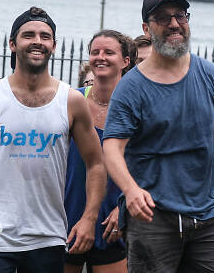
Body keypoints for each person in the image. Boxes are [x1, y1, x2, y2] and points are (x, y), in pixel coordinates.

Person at [102, 0, 214, 273]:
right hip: (152, 216)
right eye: (162, 18)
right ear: (146, 27)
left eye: (180, 15)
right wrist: (130, 190)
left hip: (208, 210)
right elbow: (112, 148)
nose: (173, 24)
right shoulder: (131, 87)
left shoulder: (209, 74)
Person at [0, 7, 106, 272]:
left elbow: (96, 164)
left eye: (45, 36)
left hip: (48, 237)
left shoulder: (71, 101)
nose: (37, 41)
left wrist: (89, 219)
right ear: (12, 44)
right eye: (28, 35)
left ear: (54, 46)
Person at [64, 30, 137, 273]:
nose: (100, 57)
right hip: (68, 213)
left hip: (112, 221)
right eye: (95, 52)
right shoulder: (72, 101)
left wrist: (124, 207)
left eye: (109, 52)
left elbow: (150, 164)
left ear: (125, 61)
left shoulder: (137, 107)